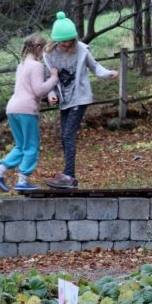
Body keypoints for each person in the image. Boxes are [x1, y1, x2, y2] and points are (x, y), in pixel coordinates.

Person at [41, 11, 118, 189]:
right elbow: (49, 78)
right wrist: (51, 94)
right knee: (64, 137)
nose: (68, 44)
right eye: (64, 41)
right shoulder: (49, 55)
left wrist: (108, 73)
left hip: (80, 97)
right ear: (56, 40)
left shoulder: (82, 49)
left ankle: (69, 176)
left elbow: (95, 67)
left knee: (68, 135)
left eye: (70, 40)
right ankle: (69, 175)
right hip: (64, 99)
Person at [0, 33, 59, 192]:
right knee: (32, 146)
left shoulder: (22, 64)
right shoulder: (37, 66)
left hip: (12, 108)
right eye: (44, 49)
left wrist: (50, 93)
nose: (44, 53)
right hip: (26, 109)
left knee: (21, 146)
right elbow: (38, 91)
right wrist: (54, 78)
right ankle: (23, 181)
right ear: (39, 48)